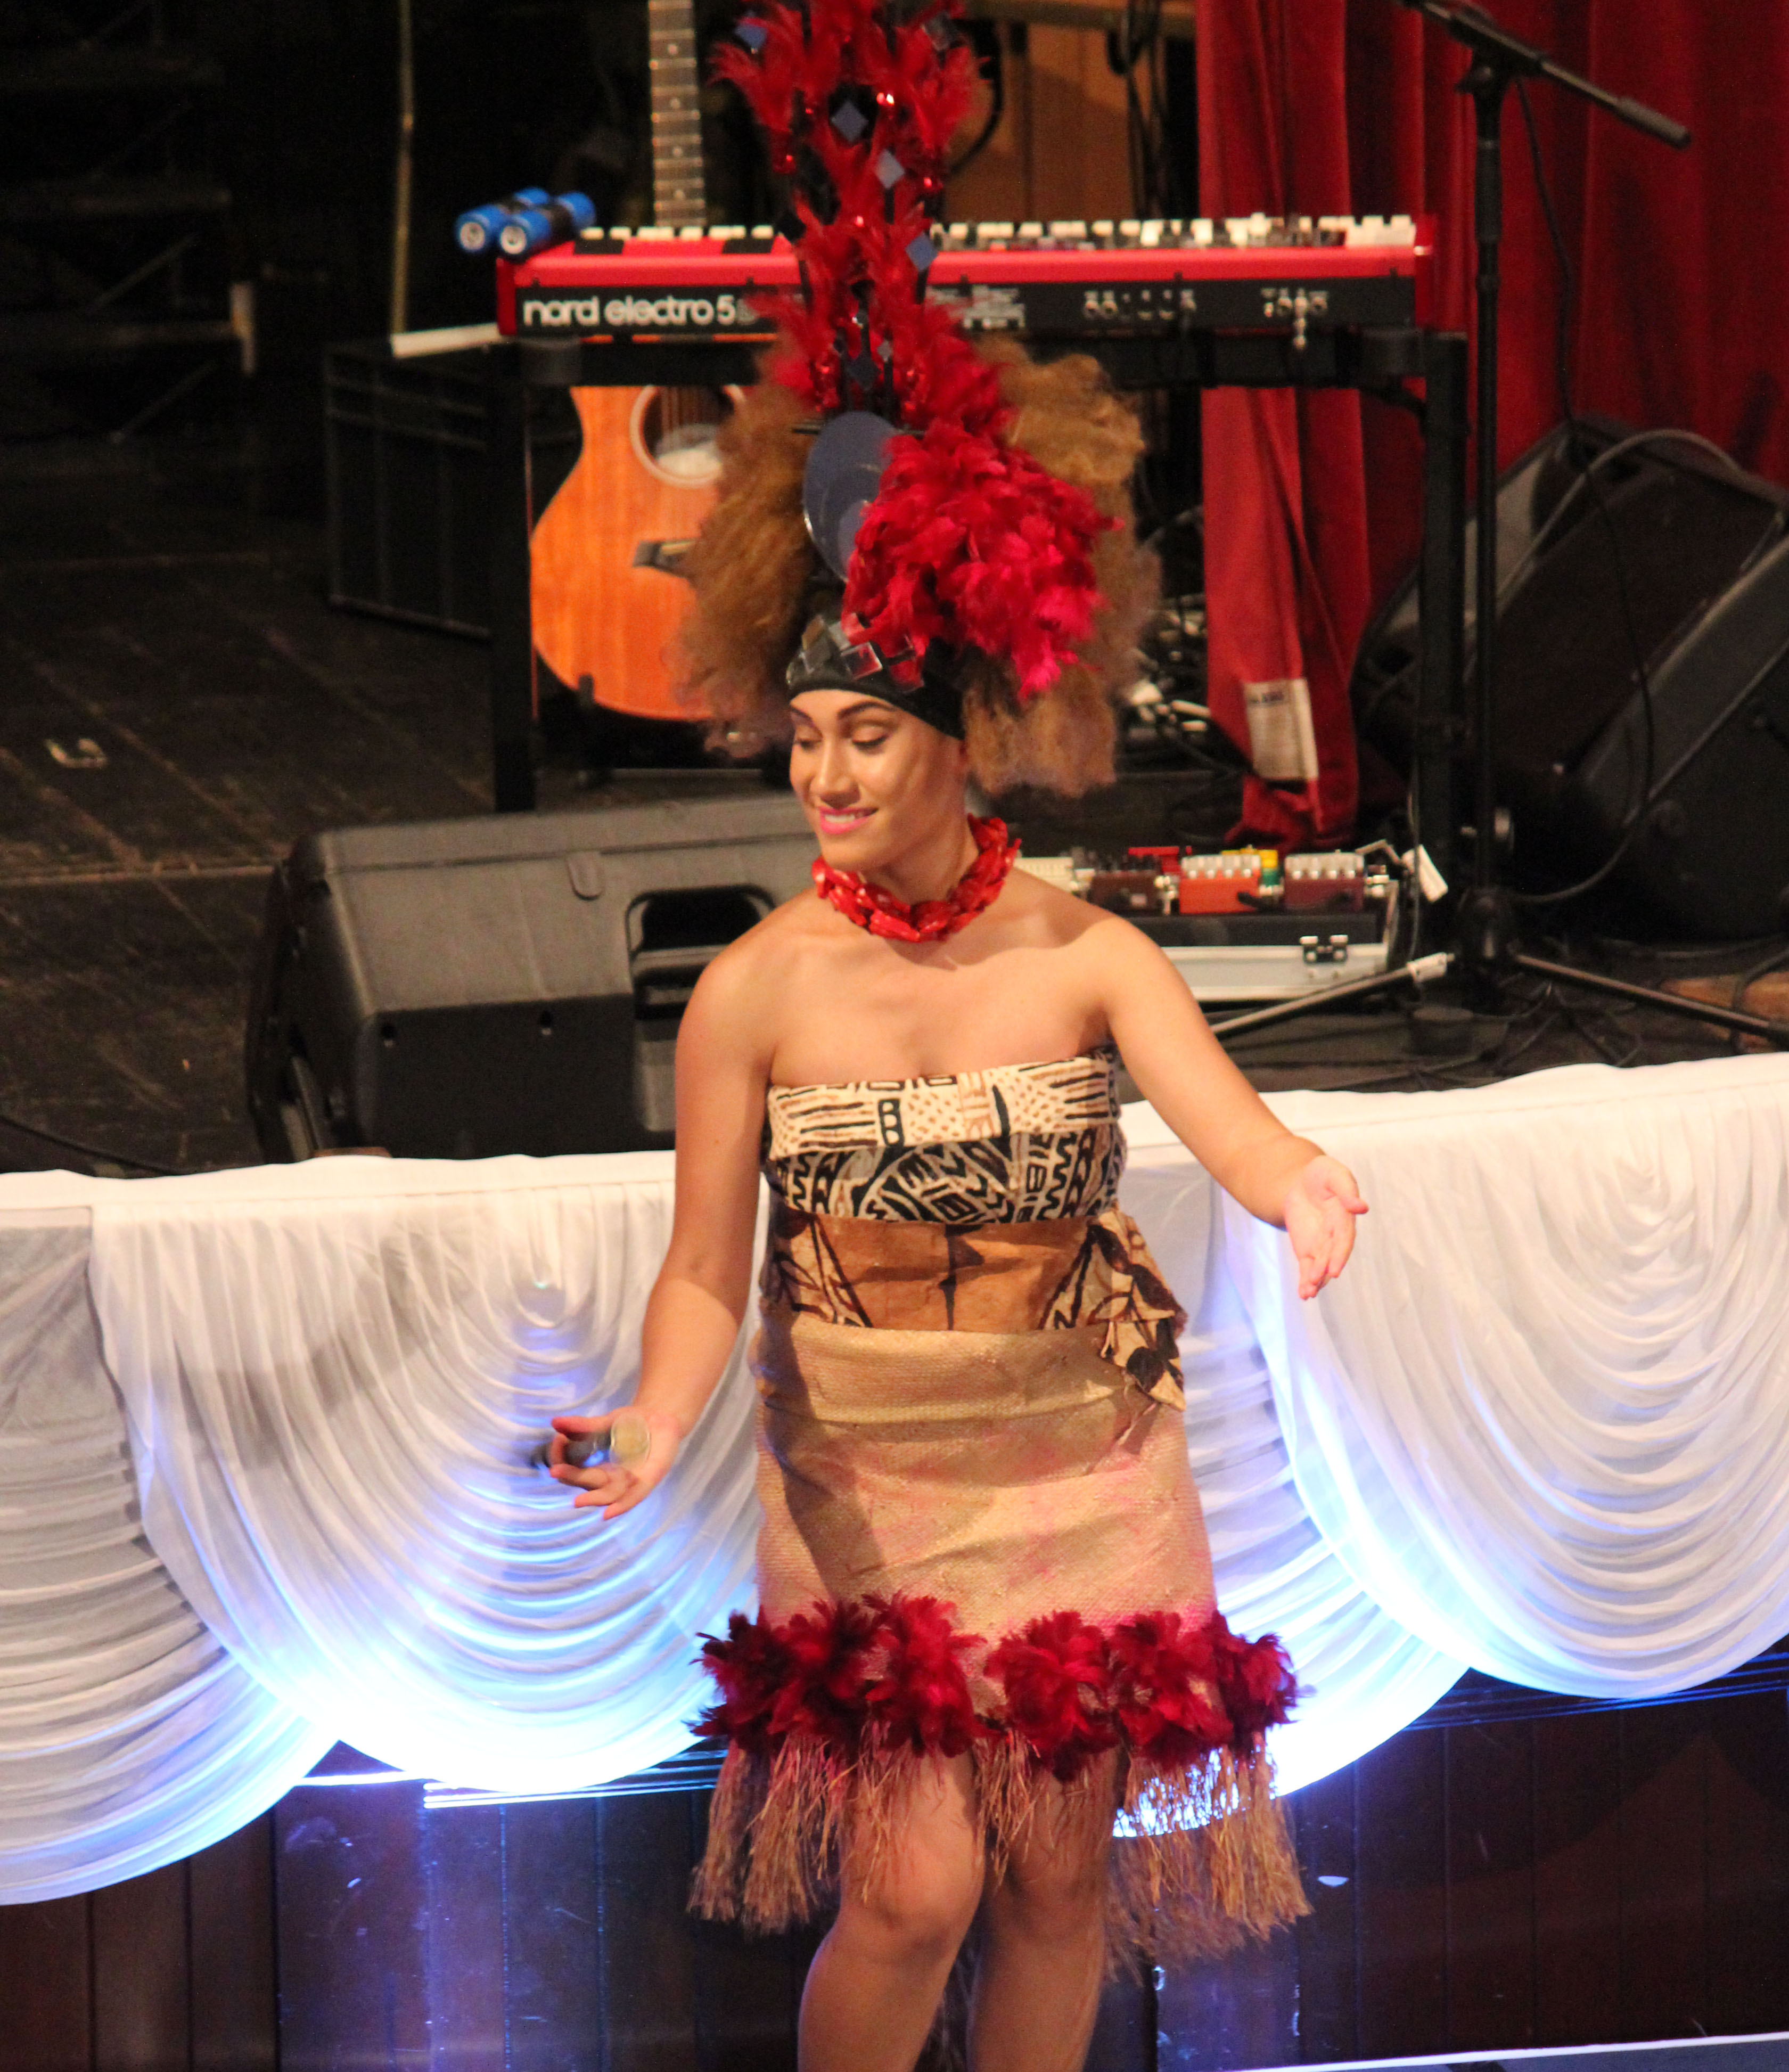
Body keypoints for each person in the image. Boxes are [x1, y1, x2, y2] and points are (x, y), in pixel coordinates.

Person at [548, 9, 1365, 2066]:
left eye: (865, 737)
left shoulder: (1085, 956)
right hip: (873, 1500)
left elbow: (1239, 1132)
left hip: (1084, 1474)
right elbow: (697, 1275)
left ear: (958, 734)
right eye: (804, 737)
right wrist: (653, 1424)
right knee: (910, 1881)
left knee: (1061, 1878)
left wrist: (1305, 1185)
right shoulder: (755, 990)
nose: (822, 777)